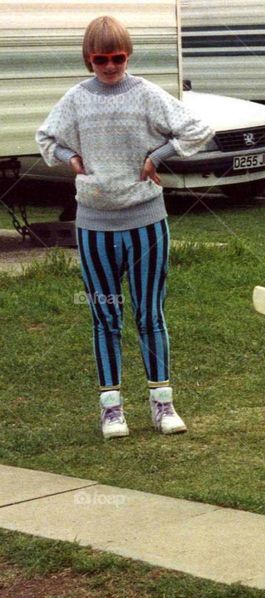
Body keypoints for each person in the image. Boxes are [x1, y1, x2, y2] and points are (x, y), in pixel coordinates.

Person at [36, 16, 213, 439]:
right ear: (88, 60)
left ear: (128, 56)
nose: (111, 67)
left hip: (146, 220)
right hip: (94, 224)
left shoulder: (148, 94)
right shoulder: (76, 99)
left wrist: (158, 156)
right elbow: (46, 138)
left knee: (150, 314)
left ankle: (162, 404)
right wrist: (70, 159)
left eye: (118, 58)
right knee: (105, 316)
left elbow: (198, 129)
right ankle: (111, 409)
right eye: (102, 60)